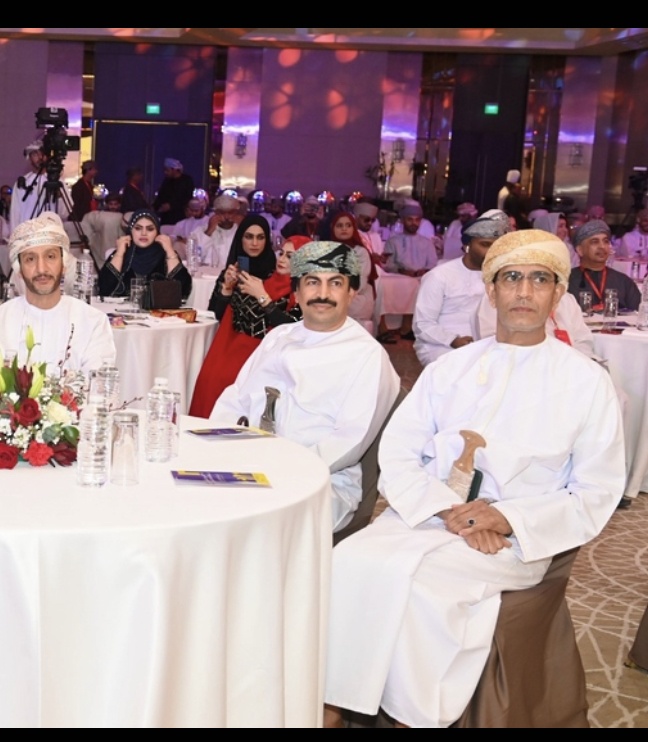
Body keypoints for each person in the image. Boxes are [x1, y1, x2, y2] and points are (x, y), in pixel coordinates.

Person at [323, 228, 625, 729]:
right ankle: (332, 707)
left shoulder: (586, 381)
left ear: (557, 294)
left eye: (539, 279)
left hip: (514, 542)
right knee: (346, 562)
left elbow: (596, 491)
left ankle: (410, 719)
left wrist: (505, 518)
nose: (524, 291)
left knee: (424, 592)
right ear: (491, 290)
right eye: (511, 278)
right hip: (427, 515)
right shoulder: (451, 369)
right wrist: (447, 510)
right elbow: (399, 451)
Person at [211, 240, 399, 530]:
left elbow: (349, 441)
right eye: (312, 282)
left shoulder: (367, 355)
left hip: (318, 482)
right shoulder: (279, 336)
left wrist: (278, 468)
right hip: (248, 465)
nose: (323, 294)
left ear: (351, 292)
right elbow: (235, 398)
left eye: (335, 283)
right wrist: (220, 450)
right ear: (296, 292)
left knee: (238, 519)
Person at [0, 212, 115, 374]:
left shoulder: (93, 322)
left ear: (64, 265)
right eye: (30, 259)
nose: (41, 269)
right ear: (19, 270)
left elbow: (98, 385)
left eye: (50, 256)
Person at [188, 217, 290, 417]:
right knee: (210, 379)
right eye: (249, 237)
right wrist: (226, 288)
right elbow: (214, 315)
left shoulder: (276, 274)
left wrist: (261, 294)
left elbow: (286, 323)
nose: (254, 243)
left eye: (260, 237)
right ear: (240, 239)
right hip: (230, 344)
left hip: (264, 348)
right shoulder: (231, 272)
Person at [413, 210, 507, 366]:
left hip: (488, 340)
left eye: (496, 246)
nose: (492, 252)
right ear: (467, 245)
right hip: (441, 343)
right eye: (485, 244)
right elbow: (422, 324)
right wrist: (453, 340)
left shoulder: (501, 275)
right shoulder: (439, 275)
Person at [98, 209, 191, 300]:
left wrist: (170, 251)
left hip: (159, 310)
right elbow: (104, 289)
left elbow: (182, 292)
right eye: (138, 228)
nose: (143, 233)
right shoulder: (122, 253)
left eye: (150, 229)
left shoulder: (166, 255)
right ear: (131, 231)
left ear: (157, 232)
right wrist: (119, 253)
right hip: (119, 309)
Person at [568, 219, 642, 312]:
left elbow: (639, 314)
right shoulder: (567, 281)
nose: (602, 246)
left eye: (606, 241)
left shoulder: (624, 282)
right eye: (594, 242)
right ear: (580, 250)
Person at [190, 194, 243, 267]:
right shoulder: (201, 230)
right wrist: (209, 232)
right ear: (215, 212)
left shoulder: (241, 230)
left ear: (236, 213)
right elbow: (194, 256)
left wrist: (243, 228)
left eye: (230, 213)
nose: (226, 217)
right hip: (207, 272)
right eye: (222, 213)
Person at [78, 193, 128, 269]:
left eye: (115, 204)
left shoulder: (122, 217)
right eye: (111, 204)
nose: (113, 207)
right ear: (107, 204)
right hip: (101, 249)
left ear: (119, 205)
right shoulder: (99, 216)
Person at [9, 140, 50, 230]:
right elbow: (15, 213)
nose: (40, 157)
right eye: (35, 154)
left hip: (50, 232)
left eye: (42, 153)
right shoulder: (23, 182)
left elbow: (65, 213)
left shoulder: (56, 181)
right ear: (29, 158)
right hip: (27, 233)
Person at [151, 158, 195, 225]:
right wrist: (154, 207)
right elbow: (161, 196)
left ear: (174, 170)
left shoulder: (187, 181)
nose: (165, 172)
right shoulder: (167, 181)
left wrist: (171, 206)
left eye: (167, 170)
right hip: (166, 218)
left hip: (181, 217)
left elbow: (187, 198)